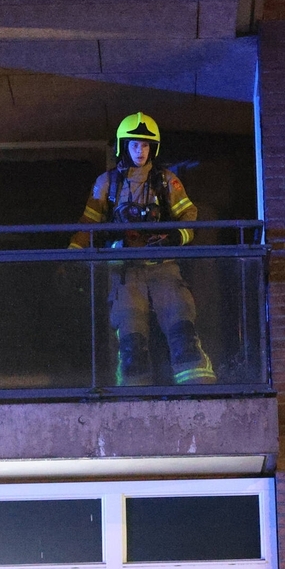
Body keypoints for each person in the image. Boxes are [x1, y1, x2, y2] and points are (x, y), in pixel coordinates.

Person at [69, 112, 216, 386]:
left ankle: (199, 393)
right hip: (124, 273)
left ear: (154, 148)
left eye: (146, 145)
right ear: (123, 146)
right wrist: (71, 258)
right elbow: (88, 224)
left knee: (183, 332)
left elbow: (190, 215)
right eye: (135, 144)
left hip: (164, 267)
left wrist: (174, 239)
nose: (141, 150)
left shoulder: (166, 181)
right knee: (131, 346)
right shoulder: (107, 184)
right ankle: (134, 398)